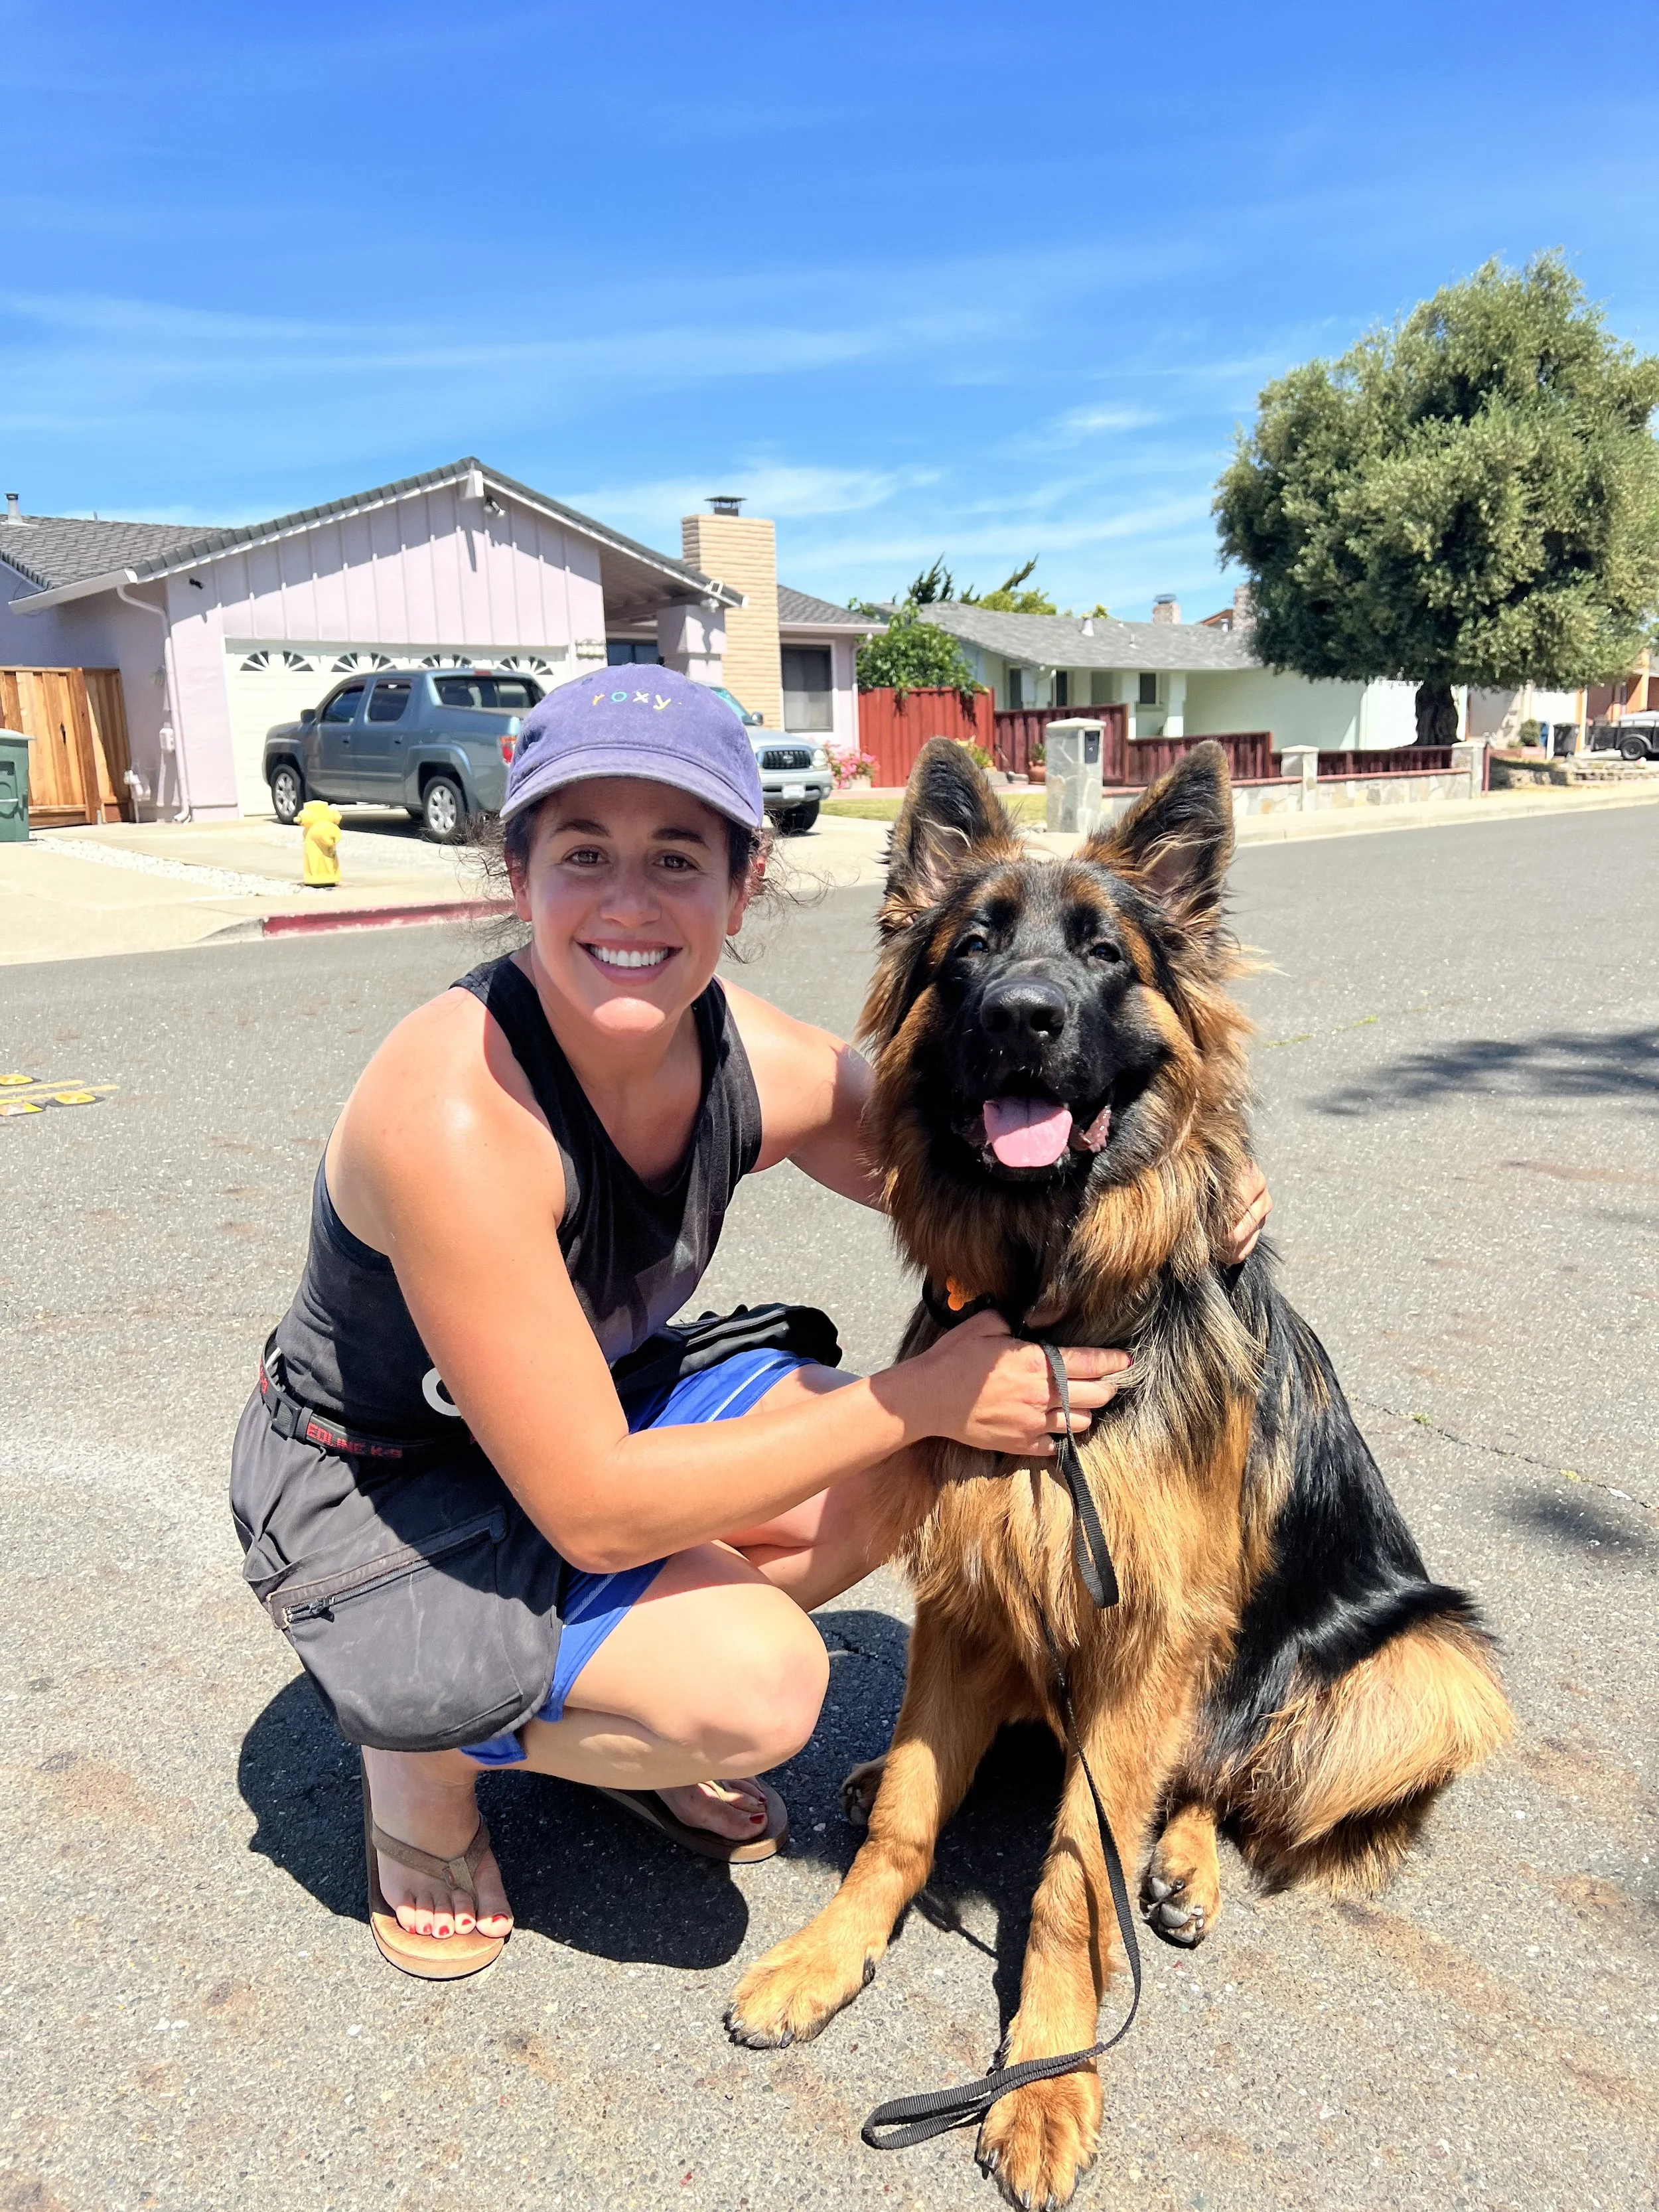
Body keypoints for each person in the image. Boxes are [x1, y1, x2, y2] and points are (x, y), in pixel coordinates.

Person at [230, 668, 1271, 1980]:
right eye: (582, 852)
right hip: (383, 1478)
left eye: (676, 857)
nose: (627, 900)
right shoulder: (454, 1117)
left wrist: (1189, 1163)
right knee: (764, 1680)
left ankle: (608, 1706)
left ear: (739, 886)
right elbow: (598, 1511)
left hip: (585, 1407)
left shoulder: (739, 1052)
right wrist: (919, 1397)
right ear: (518, 872)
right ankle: (424, 1751)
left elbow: (945, 1140)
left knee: (902, 1473)